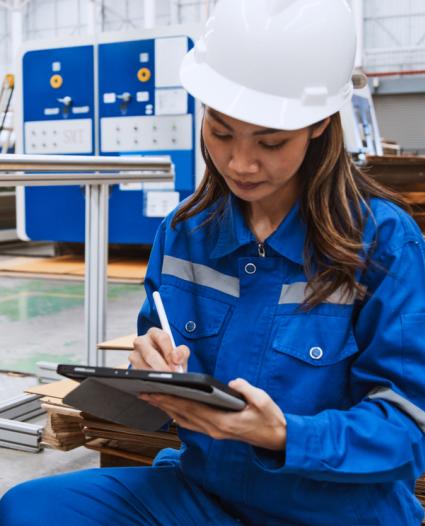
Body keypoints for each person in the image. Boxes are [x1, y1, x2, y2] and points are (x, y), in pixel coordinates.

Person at [1, 0, 425, 525]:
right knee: (29, 509)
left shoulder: (382, 242)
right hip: (203, 492)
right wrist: (148, 373)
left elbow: (407, 429)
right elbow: (158, 373)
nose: (240, 163)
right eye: (221, 132)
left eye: (271, 142)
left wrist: (283, 435)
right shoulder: (186, 232)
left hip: (335, 510)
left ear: (319, 125)